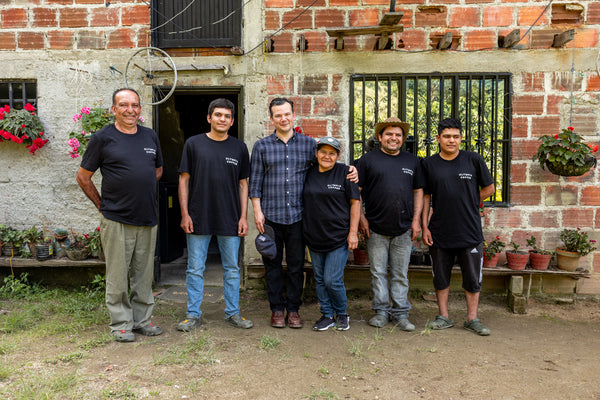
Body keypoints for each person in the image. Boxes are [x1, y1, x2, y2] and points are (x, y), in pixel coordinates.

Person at [249, 98, 357, 329]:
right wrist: (257, 212)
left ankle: (294, 310)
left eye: (286, 114)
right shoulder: (262, 146)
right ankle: (277, 309)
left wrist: (351, 169)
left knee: (297, 266)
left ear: (293, 115)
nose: (283, 118)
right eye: (278, 115)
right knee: (272, 265)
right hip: (271, 217)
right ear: (272, 119)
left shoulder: (309, 145)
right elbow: (255, 183)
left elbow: (327, 162)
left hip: (299, 218)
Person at [76, 88, 163, 342]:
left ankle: (142, 321)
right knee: (117, 274)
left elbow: (157, 171)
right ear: (113, 109)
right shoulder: (103, 138)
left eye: (135, 105)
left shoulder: (150, 136)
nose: (130, 110)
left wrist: (139, 185)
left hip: (148, 216)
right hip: (116, 218)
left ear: (140, 109)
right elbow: (83, 177)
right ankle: (121, 324)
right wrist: (102, 206)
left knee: (144, 274)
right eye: (123, 105)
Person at [176, 98, 253, 331]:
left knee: (231, 269)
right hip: (198, 216)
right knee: (195, 268)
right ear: (209, 118)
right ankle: (192, 315)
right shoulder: (193, 144)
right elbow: (184, 180)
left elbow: (243, 184)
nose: (223, 119)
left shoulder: (239, 147)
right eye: (218, 115)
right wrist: (185, 214)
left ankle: (233, 313)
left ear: (231, 121)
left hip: (230, 218)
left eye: (227, 116)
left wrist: (243, 217)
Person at [421, 117, 495, 336]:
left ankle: (472, 319)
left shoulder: (473, 160)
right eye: (446, 136)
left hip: (469, 230)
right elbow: (425, 197)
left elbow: (489, 188)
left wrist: (470, 200)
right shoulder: (429, 164)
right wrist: (424, 226)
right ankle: (443, 317)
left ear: (461, 138)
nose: (451, 140)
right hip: (439, 230)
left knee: (472, 277)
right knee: (440, 276)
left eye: (455, 136)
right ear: (438, 139)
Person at [357, 117, 424, 332]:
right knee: (377, 272)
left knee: (400, 273)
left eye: (398, 135)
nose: (393, 138)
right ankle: (381, 312)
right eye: (389, 134)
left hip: (403, 228)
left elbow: (418, 192)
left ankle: (401, 313)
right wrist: (362, 219)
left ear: (403, 139)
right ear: (380, 137)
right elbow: (356, 193)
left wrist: (416, 221)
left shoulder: (412, 162)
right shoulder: (367, 161)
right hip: (375, 227)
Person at [303, 137, 360, 331]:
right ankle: (327, 315)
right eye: (323, 152)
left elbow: (355, 203)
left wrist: (353, 232)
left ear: (338, 155)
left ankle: (342, 313)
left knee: (332, 279)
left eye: (332, 153)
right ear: (316, 153)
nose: (327, 156)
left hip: (338, 237)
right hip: (314, 235)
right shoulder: (308, 172)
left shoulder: (346, 173)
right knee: (319, 278)